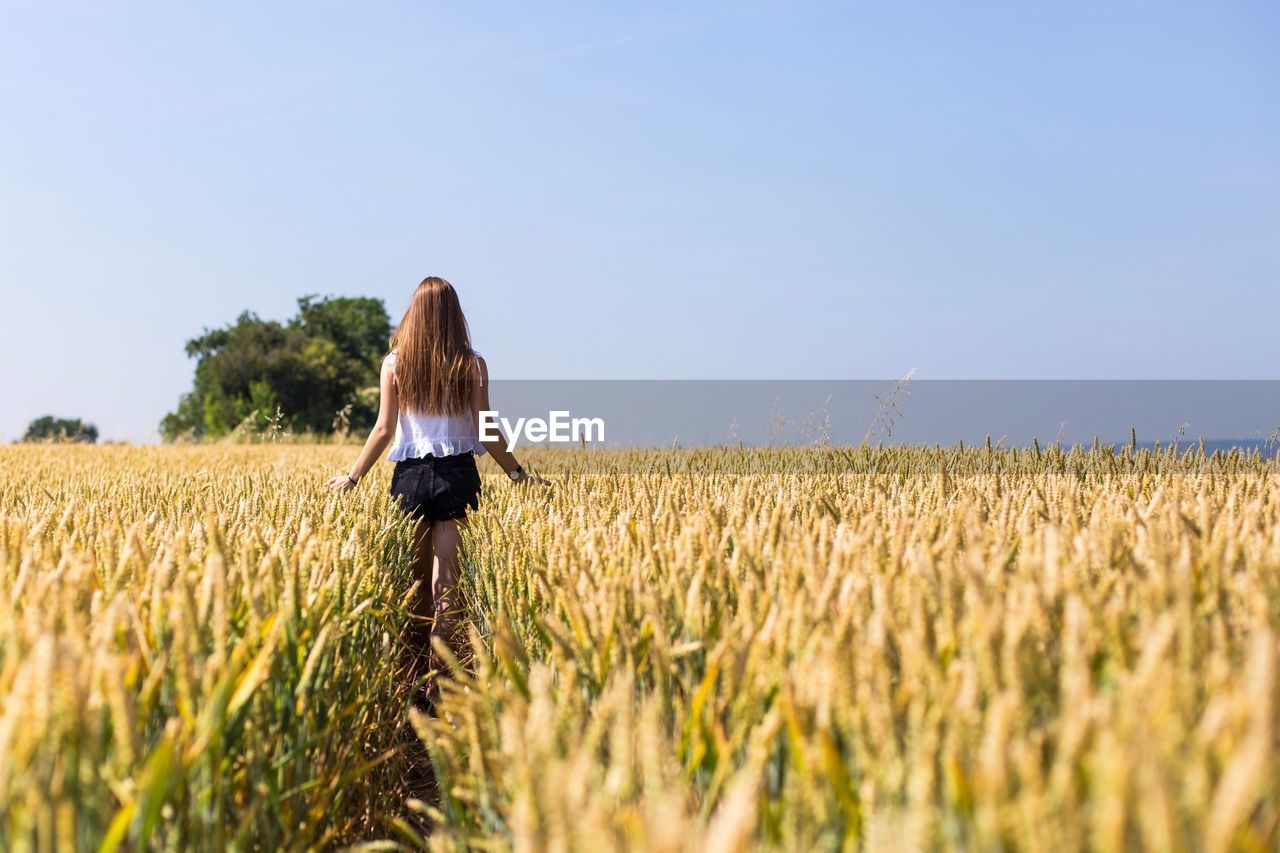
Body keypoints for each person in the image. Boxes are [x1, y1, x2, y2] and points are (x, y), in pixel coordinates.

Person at [327, 276, 545, 700]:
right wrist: (518, 475)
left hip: (409, 476)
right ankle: (439, 684)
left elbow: (384, 429)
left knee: (415, 586)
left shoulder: (394, 363)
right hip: (457, 474)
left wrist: (353, 478)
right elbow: (485, 427)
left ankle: (409, 678)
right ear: (453, 315)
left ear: (415, 312)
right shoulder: (472, 364)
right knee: (446, 585)